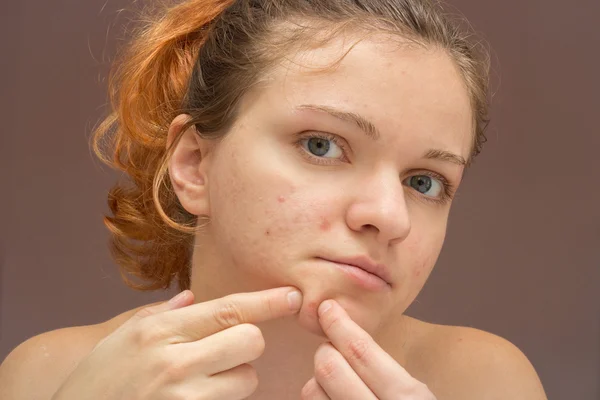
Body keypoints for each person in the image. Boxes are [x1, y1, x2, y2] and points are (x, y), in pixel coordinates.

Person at [0, 0, 548, 399]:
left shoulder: (485, 382)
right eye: (322, 146)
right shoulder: (52, 378)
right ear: (193, 164)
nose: (389, 216)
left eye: (424, 181)